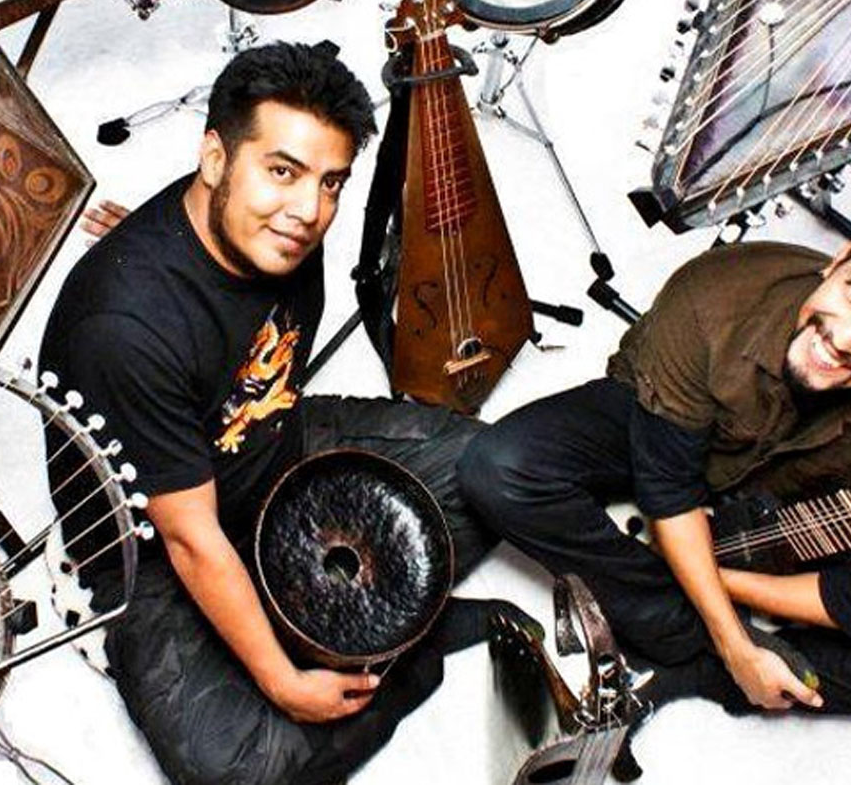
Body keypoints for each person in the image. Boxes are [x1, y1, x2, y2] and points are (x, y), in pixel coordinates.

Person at [39, 42, 524, 785]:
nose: (308, 211)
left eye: (331, 182)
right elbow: (191, 538)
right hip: (156, 550)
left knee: (494, 469)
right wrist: (282, 681)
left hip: (273, 439)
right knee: (238, 771)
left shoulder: (279, 232)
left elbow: (232, 315)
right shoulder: (124, 331)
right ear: (214, 158)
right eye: (282, 171)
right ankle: (404, 647)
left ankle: (357, 622)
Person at [459, 195, 851, 718]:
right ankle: (695, 639)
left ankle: (703, 667)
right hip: (673, 428)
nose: (845, 338)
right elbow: (668, 489)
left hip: (800, 503)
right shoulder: (716, 295)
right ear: (842, 258)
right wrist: (731, 638)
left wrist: (719, 591)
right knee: (498, 467)